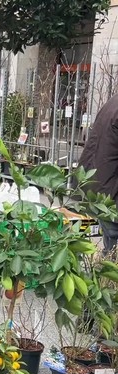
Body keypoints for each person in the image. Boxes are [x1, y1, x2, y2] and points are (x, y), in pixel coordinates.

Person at [78, 92, 118, 254]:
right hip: (111, 193)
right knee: (113, 250)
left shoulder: (113, 102)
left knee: (110, 248)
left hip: (100, 188)